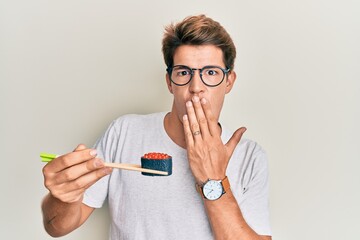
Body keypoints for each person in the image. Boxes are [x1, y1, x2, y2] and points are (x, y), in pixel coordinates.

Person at [41, 14, 272, 240]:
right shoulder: (124, 132)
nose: (196, 87)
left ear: (229, 81)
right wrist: (63, 196)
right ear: (170, 82)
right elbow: (57, 228)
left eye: (210, 73)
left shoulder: (250, 157)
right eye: (183, 72)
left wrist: (213, 180)